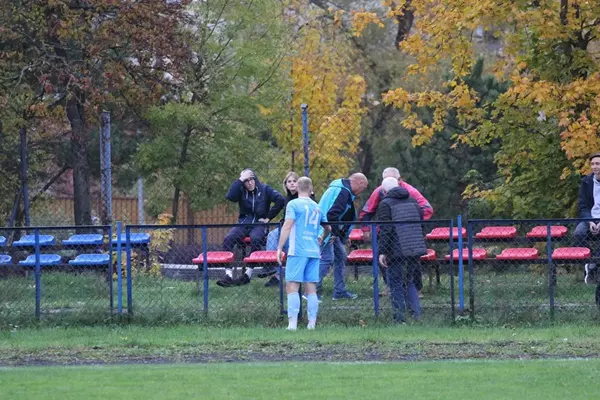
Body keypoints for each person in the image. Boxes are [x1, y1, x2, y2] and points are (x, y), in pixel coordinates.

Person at [359, 167, 432, 297]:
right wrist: (365, 229)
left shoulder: (411, 191)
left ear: (399, 180)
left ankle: (416, 288)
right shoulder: (379, 191)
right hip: (388, 232)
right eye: (385, 180)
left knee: (413, 258)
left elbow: (427, 209)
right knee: (382, 256)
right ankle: (390, 286)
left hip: (408, 233)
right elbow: (367, 211)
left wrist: (412, 224)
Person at [277, 177, 330, 330]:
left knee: (292, 286)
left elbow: (287, 225)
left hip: (298, 250)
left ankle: (292, 324)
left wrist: (279, 247)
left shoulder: (293, 204)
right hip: (313, 251)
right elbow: (328, 228)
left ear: (297, 188)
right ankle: (311, 324)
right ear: (311, 188)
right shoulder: (317, 207)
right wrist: (322, 237)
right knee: (311, 288)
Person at [217, 169, 285, 287]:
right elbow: (230, 196)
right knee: (228, 238)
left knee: (256, 238)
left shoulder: (265, 189)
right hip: (243, 223)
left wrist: (268, 217)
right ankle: (228, 275)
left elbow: (280, 200)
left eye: (251, 179)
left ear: (255, 179)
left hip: (259, 224)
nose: (249, 182)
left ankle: (247, 275)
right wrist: (240, 180)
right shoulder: (240, 190)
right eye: (246, 180)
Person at [376, 177, 427, 323]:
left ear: (384, 190)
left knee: (395, 283)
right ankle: (415, 315)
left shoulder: (385, 203)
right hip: (414, 246)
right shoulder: (413, 201)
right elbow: (421, 224)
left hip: (396, 248)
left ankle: (399, 318)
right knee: (409, 281)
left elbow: (386, 229)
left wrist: (382, 251)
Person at [317, 173, 369, 300]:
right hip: (324, 231)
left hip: (330, 230)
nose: (362, 191)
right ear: (360, 183)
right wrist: (335, 233)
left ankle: (339, 291)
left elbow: (344, 216)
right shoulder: (343, 192)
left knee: (341, 257)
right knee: (327, 259)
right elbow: (332, 215)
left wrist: (343, 236)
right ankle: (311, 290)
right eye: (363, 188)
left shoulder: (343, 191)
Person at [261, 172, 315, 287]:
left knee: (286, 244)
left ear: (299, 184)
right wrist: (267, 218)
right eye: (289, 182)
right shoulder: (287, 198)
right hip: (285, 226)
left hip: (298, 229)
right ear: (285, 184)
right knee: (272, 235)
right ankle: (270, 265)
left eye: (294, 181)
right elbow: (278, 210)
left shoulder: (303, 196)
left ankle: (279, 275)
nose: (292, 184)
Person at [575, 152, 600, 284]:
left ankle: (593, 264)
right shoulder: (586, 182)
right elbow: (583, 205)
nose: (595, 166)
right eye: (593, 164)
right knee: (578, 233)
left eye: (598, 164)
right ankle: (589, 262)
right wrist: (590, 220)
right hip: (589, 218)